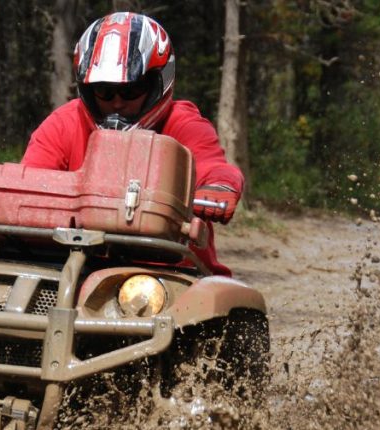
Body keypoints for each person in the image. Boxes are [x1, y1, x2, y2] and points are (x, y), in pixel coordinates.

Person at [21, 11, 243, 276]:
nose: (117, 102)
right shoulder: (65, 123)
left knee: (225, 304)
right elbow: (30, 181)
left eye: (131, 90)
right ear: (87, 89)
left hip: (170, 272)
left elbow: (212, 165)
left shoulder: (183, 123)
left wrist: (218, 187)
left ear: (157, 83)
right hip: (74, 266)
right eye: (104, 90)